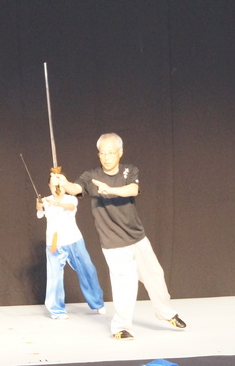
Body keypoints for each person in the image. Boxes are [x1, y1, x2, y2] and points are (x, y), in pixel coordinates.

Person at [50, 133, 186, 340]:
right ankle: (120, 328)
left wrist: (110, 190)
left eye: (110, 153)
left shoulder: (129, 170)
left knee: (155, 276)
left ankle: (166, 313)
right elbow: (75, 188)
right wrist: (64, 182)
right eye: (102, 153)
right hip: (112, 242)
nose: (106, 157)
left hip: (137, 236)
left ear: (120, 153)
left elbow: (132, 190)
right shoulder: (91, 176)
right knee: (125, 284)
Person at [36, 180, 106, 319]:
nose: (58, 189)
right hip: (54, 244)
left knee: (88, 270)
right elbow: (39, 214)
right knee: (54, 277)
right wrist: (39, 206)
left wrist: (56, 204)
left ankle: (97, 303)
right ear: (49, 186)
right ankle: (57, 311)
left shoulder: (71, 199)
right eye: (54, 186)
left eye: (60, 186)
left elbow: (70, 207)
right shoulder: (46, 200)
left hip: (74, 240)